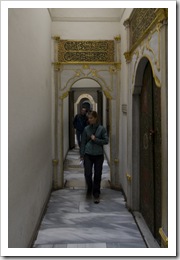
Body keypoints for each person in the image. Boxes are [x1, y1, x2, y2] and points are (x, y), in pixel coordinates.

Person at [80, 111, 109, 204]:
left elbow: (106, 141)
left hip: (98, 155)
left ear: (96, 118)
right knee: (87, 173)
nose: (89, 120)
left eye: (91, 118)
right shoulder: (86, 129)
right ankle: (90, 187)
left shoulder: (102, 129)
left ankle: (96, 192)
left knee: (97, 174)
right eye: (88, 118)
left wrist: (95, 139)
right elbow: (83, 142)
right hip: (88, 154)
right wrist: (82, 154)